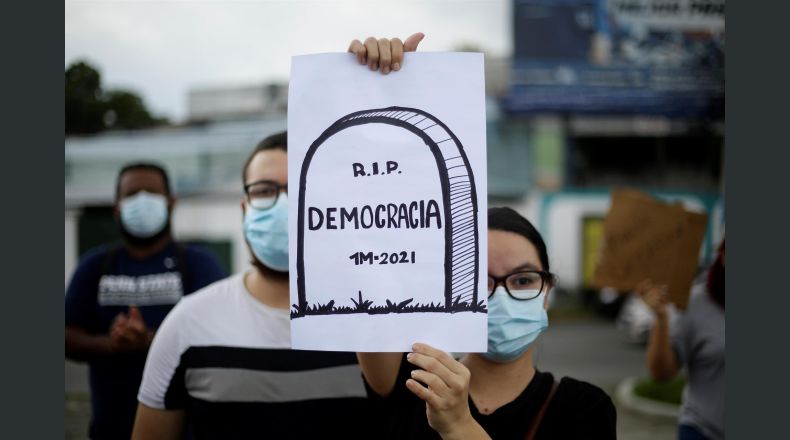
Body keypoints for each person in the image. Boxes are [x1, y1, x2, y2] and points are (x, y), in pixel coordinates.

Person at [132, 132, 376, 439]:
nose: (284, 204)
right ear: (244, 209)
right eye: (264, 191)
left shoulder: (378, 323)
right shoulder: (188, 324)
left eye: (301, 187)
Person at [357, 207, 617, 439]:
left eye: (523, 281)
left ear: (547, 293)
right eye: (480, 282)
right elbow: (369, 302)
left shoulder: (584, 408)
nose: (502, 297)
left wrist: (459, 426)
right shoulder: (416, 383)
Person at [65, 162, 227, 440]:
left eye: (151, 193)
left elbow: (220, 335)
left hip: (188, 430)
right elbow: (67, 335)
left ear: (171, 203)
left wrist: (150, 341)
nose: (141, 200)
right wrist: (112, 344)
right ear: (117, 208)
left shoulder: (198, 264)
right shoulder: (95, 265)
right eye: (132, 194)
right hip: (110, 429)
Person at [639, 239, 725, 440]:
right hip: (704, 432)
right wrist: (660, 318)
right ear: (723, 256)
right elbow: (661, 372)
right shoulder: (695, 303)